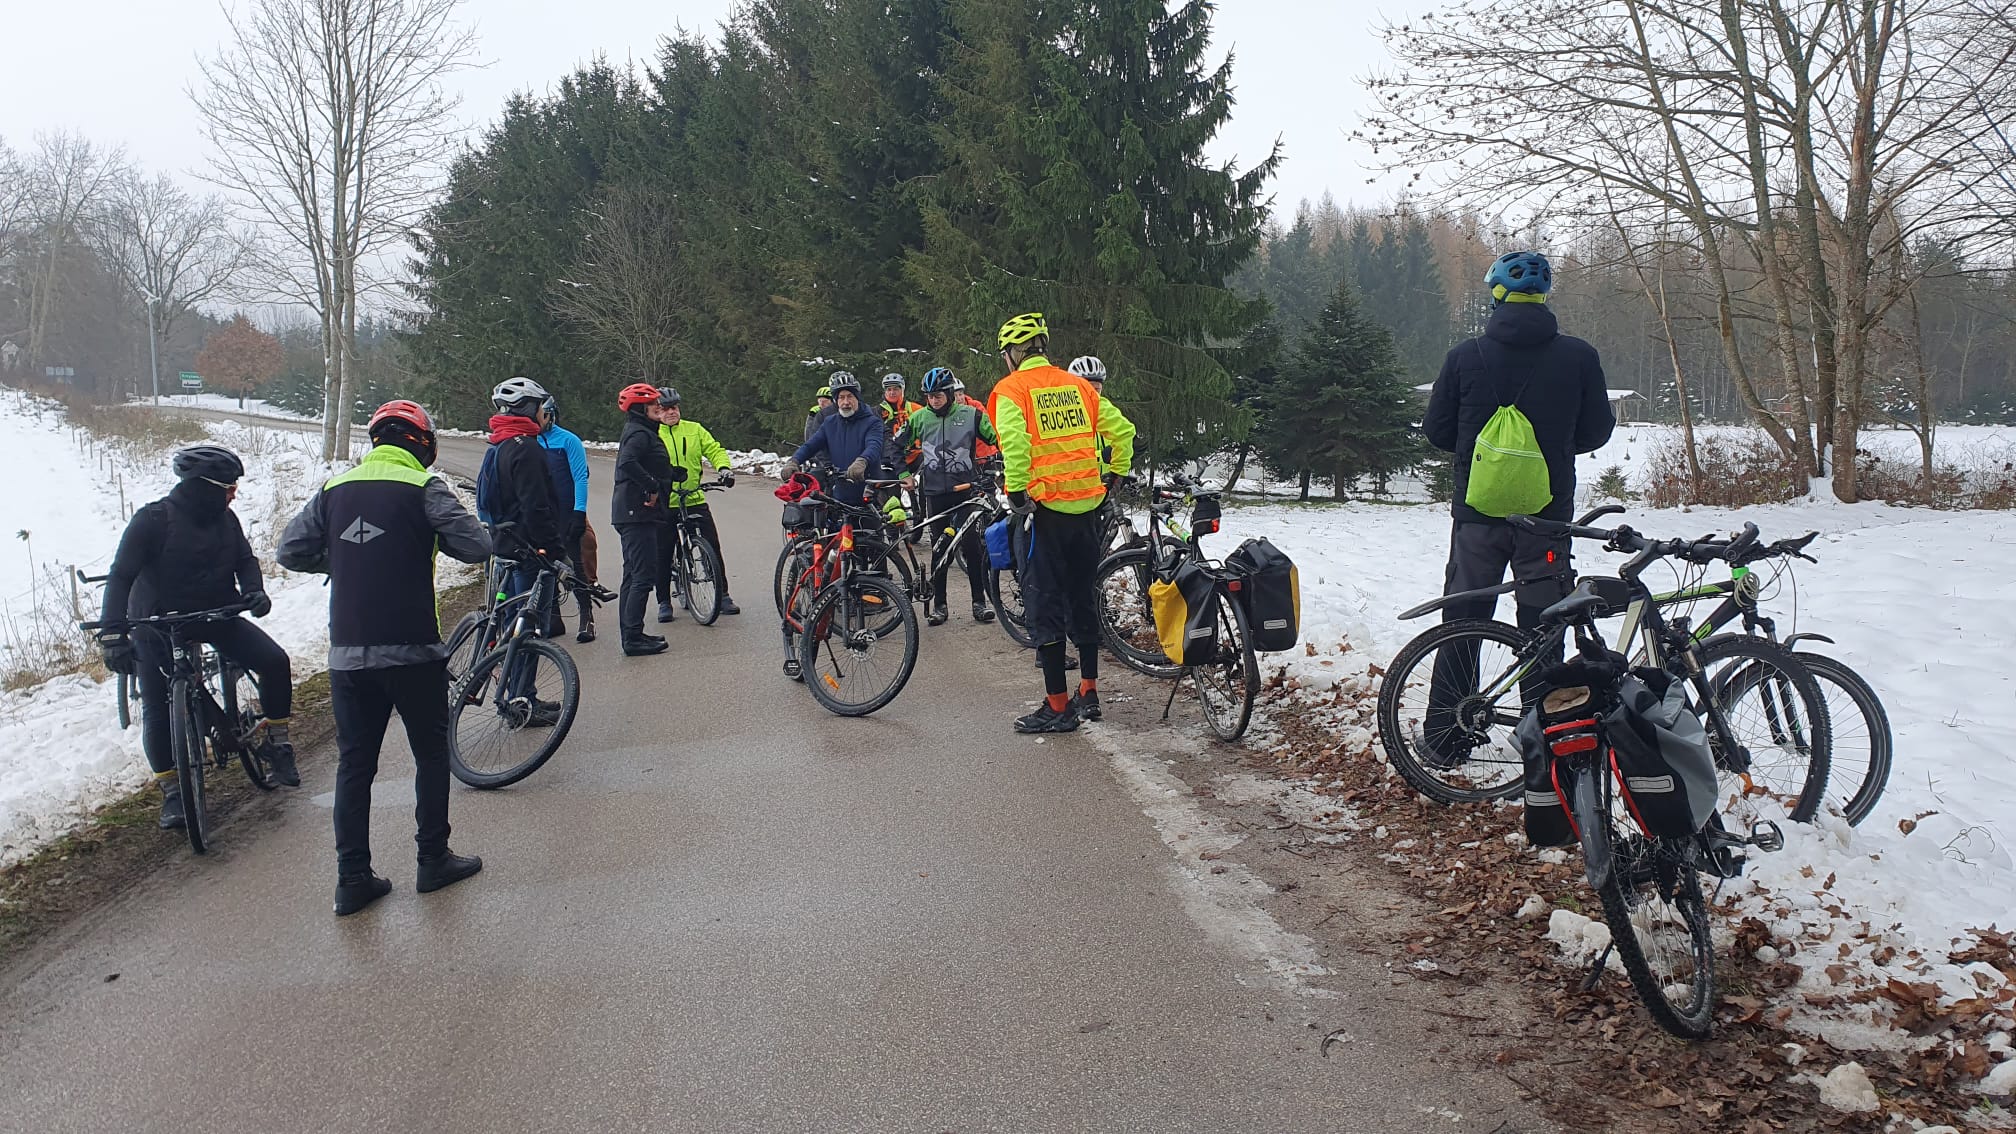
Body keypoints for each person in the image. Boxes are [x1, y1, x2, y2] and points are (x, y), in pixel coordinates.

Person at [277, 400, 492, 917]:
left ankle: (351, 880)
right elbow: (477, 546)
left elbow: (290, 551)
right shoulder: (424, 487)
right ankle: (432, 860)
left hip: (348, 655)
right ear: (422, 443)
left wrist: (348, 557)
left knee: (355, 765)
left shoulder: (332, 490)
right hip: (413, 649)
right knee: (431, 755)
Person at [1422, 251, 1615, 761]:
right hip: (1546, 519)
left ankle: (1447, 739)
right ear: (1544, 296)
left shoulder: (1464, 356)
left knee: (1463, 621)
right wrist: (1547, 447)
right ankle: (1546, 749)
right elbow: (1597, 431)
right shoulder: (1579, 356)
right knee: (1544, 629)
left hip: (1477, 520)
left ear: (1497, 295)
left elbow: (1438, 431)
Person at [99, 444, 298, 828]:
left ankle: (278, 743)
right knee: (157, 706)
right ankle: (173, 792)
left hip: (214, 614)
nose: (234, 494)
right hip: (156, 626)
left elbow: (244, 560)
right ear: (202, 487)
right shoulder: (152, 521)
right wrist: (113, 636)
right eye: (228, 487)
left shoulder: (227, 520)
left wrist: (254, 590)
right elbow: (121, 575)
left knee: (274, 661)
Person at [988, 313, 1108, 733]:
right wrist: (1114, 475)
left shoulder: (1012, 389)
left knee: (1044, 603)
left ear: (1011, 355)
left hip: (1045, 514)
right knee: (1082, 596)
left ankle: (1057, 705)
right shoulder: (1079, 385)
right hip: (1086, 512)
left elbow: (1017, 443)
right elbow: (1115, 431)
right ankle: (1089, 690)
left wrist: (1017, 491)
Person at [894, 367, 998, 626]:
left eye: (938, 395)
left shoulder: (971, 415)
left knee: (972, 546)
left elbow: (999, 439)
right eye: (929, 396)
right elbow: (893, 446)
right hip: (934, 492)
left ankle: (979, 602)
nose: (933, 400)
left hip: (965, 490)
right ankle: (940, 605)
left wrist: (995, 467)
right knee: (940, 548)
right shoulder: (920, 419)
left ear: (950, 394)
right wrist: (904, 473)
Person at [481, 377, 568, 637]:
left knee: (510, 624)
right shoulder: (527, 448)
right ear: (530, 409)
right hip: (530, 551)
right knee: (528, 631)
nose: (544, 413)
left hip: (504, 546)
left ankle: (504, 673)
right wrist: (556, 551)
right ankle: (519, 678)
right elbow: (536, 507)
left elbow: (487, 500)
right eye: (541, 407)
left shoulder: (499, 444)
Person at [655, 386, 740, 619]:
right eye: (665, 409)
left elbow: (714, 449)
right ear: (657, 411)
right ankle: (663, 600)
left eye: (674, 407)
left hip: (693, 497)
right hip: (666, 501)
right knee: (662, 552)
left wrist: (724, 468)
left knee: (712, 544)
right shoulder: (653, 433)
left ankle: (722, 595)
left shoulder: (694, 429)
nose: (671, 412)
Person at [612, 382, 676, 656]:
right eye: (653, 405)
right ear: (640, 409)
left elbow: (648, 462)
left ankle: (632, 633)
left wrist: (672, 473)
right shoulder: (639, 433)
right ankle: (633, 638)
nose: (659, 408)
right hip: (636, 513)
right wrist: (651, 486)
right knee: (642, 575)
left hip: (633, 512)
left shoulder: (642, 431)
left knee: (633, 574)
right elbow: (628, 463)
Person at [782, 371, 884, 508]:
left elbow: (874, 446)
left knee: (871, 528)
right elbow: (811, 445)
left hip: (869, 490)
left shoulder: (872, 422)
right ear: (836, 401)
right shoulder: (830, 422)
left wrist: (862, 461)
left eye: (850, 397)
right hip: (840, 490)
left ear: (857, 398)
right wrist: (794, 461)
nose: (846, 402)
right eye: (841, 398)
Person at [540, 396, 596, 643]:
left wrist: (579, 511)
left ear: (551, 415)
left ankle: (587, 616)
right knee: (545, 565)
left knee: (575, 565)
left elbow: (580, 477)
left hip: (566, 512)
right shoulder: (529, 441)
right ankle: (553, 618)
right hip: (542, 514)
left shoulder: (568, 440)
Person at [1065, 356, 1137, 483]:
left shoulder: (1107, 412)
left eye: (1097, 389)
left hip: (1104, 487)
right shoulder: (1067, 415)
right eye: (1088, 389)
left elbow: (1127, 436)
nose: (1093, 394)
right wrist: (1101, 456)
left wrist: (1118, 474)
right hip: (1076, 489)